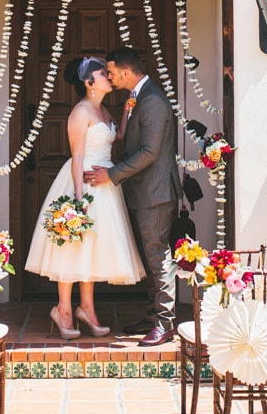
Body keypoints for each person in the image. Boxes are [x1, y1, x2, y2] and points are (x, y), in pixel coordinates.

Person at [25, 55, 145, 340]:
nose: (109, 76)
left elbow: (118, 138)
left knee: (91, 248)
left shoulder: (103, 111)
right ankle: (63, 309)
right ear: (89, 82)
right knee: (73, 246)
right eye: (103, 74)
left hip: (105, 184)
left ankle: (87, 308)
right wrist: (78, 199)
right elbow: (77, 156)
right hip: (84, 183)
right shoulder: (80, 112)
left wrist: (128, 110)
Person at [84, 46, 182, 347]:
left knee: (158, 257)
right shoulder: (139, 97)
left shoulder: (152, 100)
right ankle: (154, 316)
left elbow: (150, 152)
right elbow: (131, 140)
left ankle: (165, 324)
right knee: (152, 256)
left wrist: (111, 175)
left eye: (111, 72)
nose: (110, 78)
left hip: (155, 192)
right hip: (144, 191)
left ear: (126, 72)